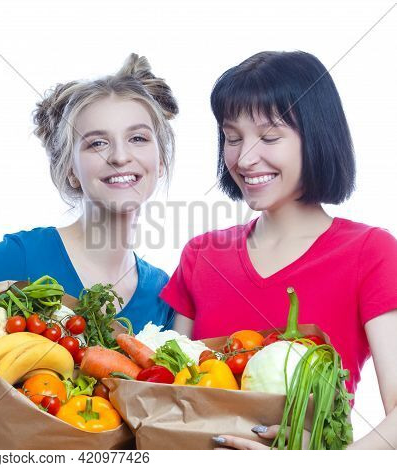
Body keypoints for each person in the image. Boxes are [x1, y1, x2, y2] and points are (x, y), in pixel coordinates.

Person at [160, 51, 397, 449]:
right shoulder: (202, 255)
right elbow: (167, 393)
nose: (245, 158)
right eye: (232, 137)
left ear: (318, 136)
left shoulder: (371, 253)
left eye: (269, 137)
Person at [0, 53, 178, 334]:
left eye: (138, 138)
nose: (119, 156)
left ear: (161, 161)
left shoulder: (162, 295)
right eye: (97, 143)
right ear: (71, 169)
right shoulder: (21, 257)